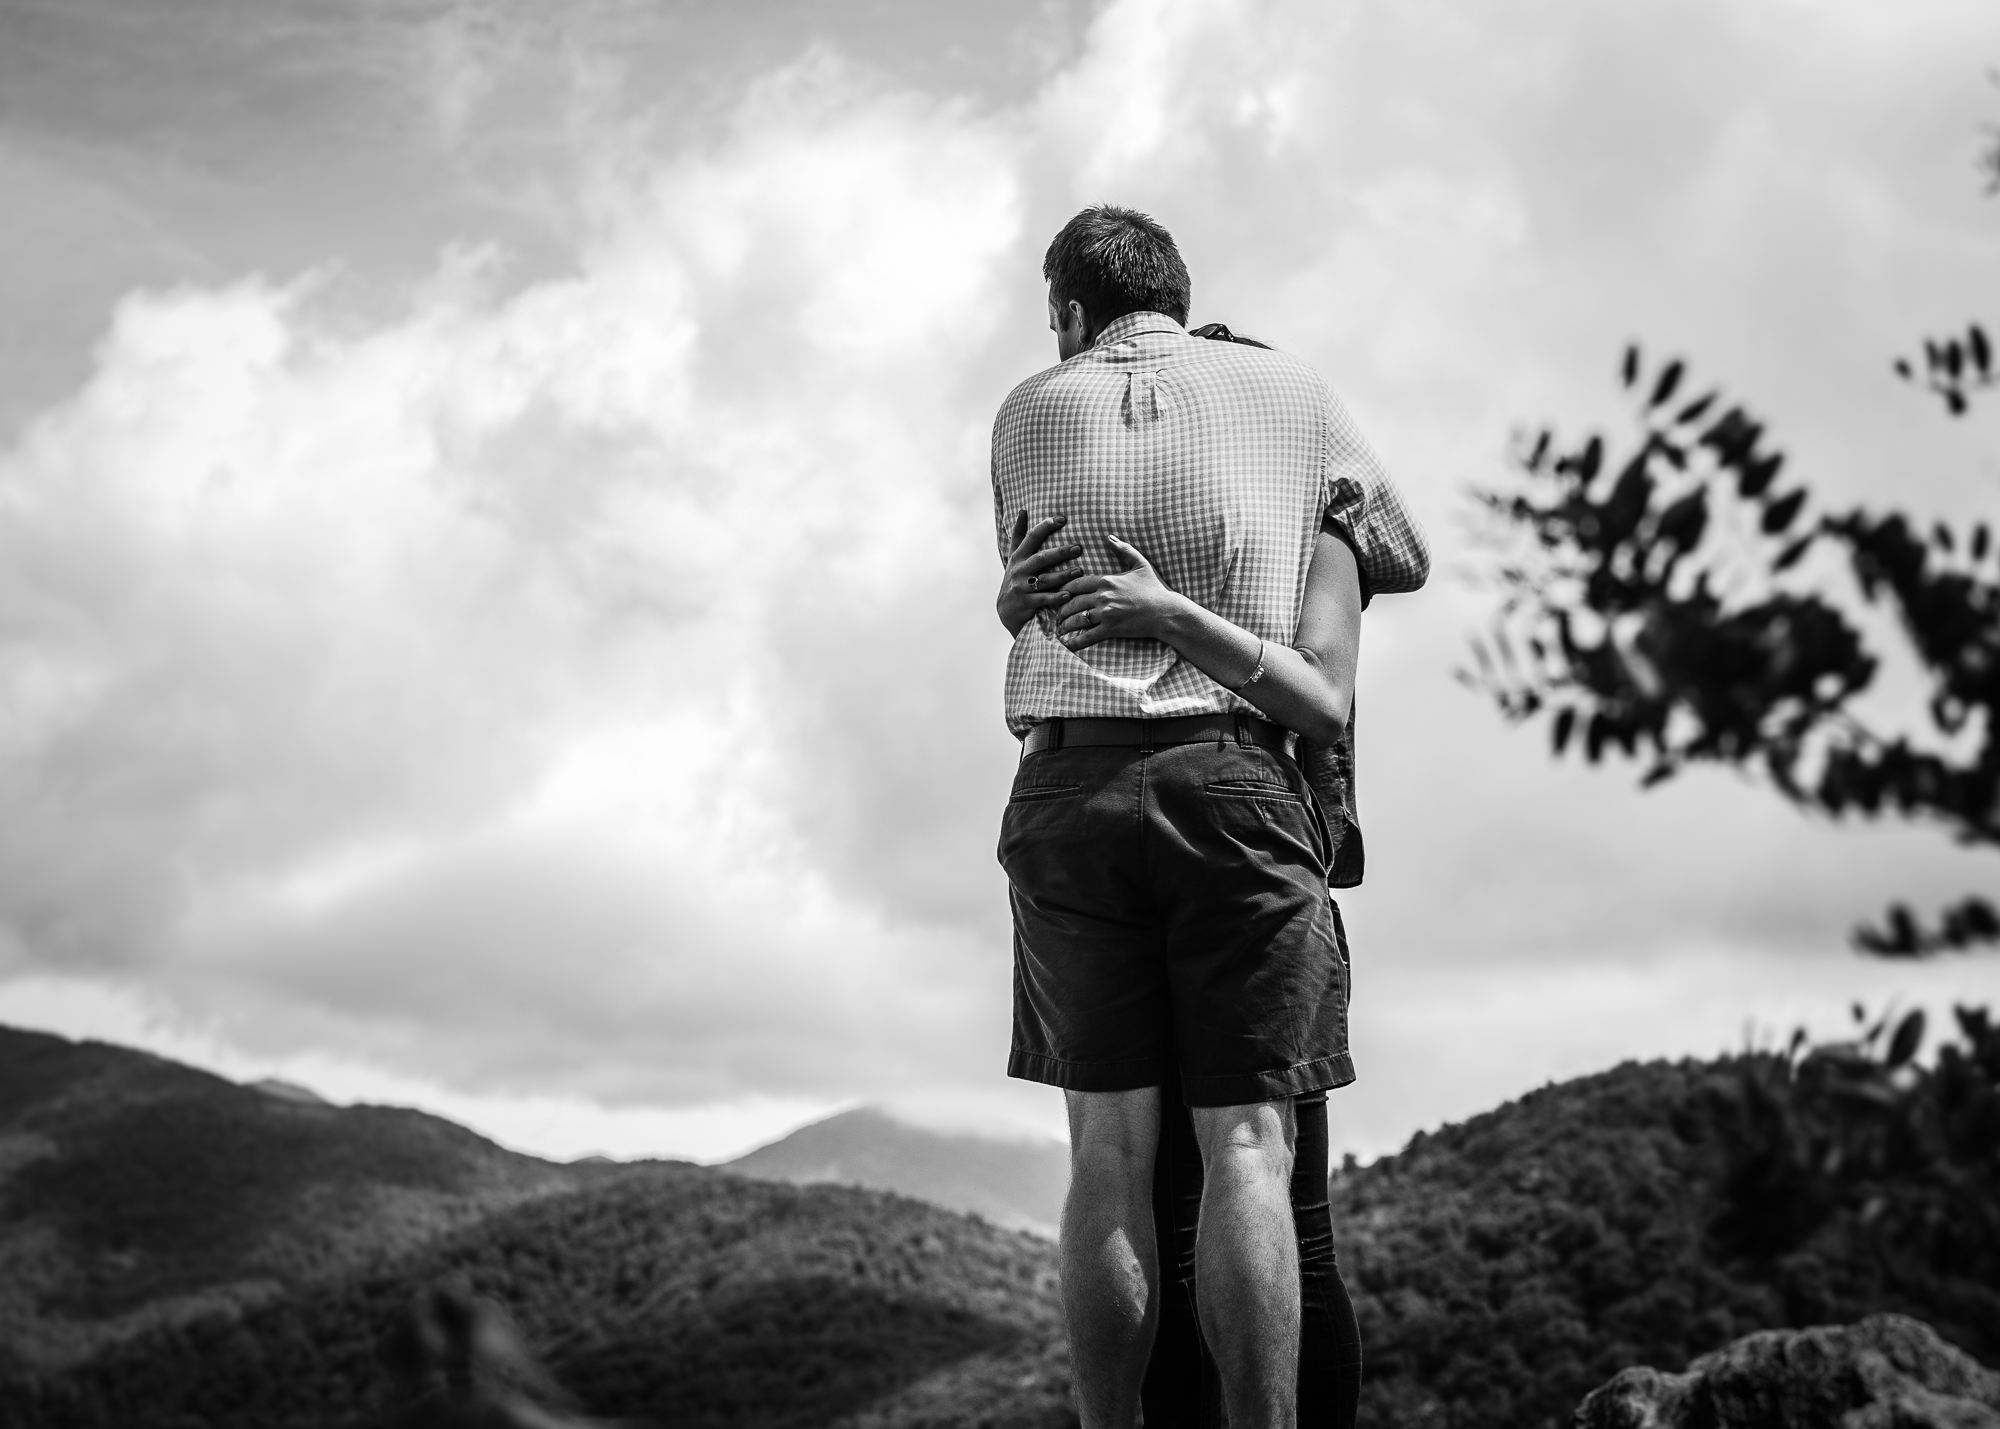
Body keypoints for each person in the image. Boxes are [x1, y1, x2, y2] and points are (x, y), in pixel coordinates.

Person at [990, 205, 1428, 1429]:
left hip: (1066, 785)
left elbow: (1033, 599)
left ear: (1070, 311)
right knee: (1248, 1150)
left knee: (1106, 1157)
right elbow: (1392, 544)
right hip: (1230, 778)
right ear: (1184, 301)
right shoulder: (1292, 396)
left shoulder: (1028, 410)